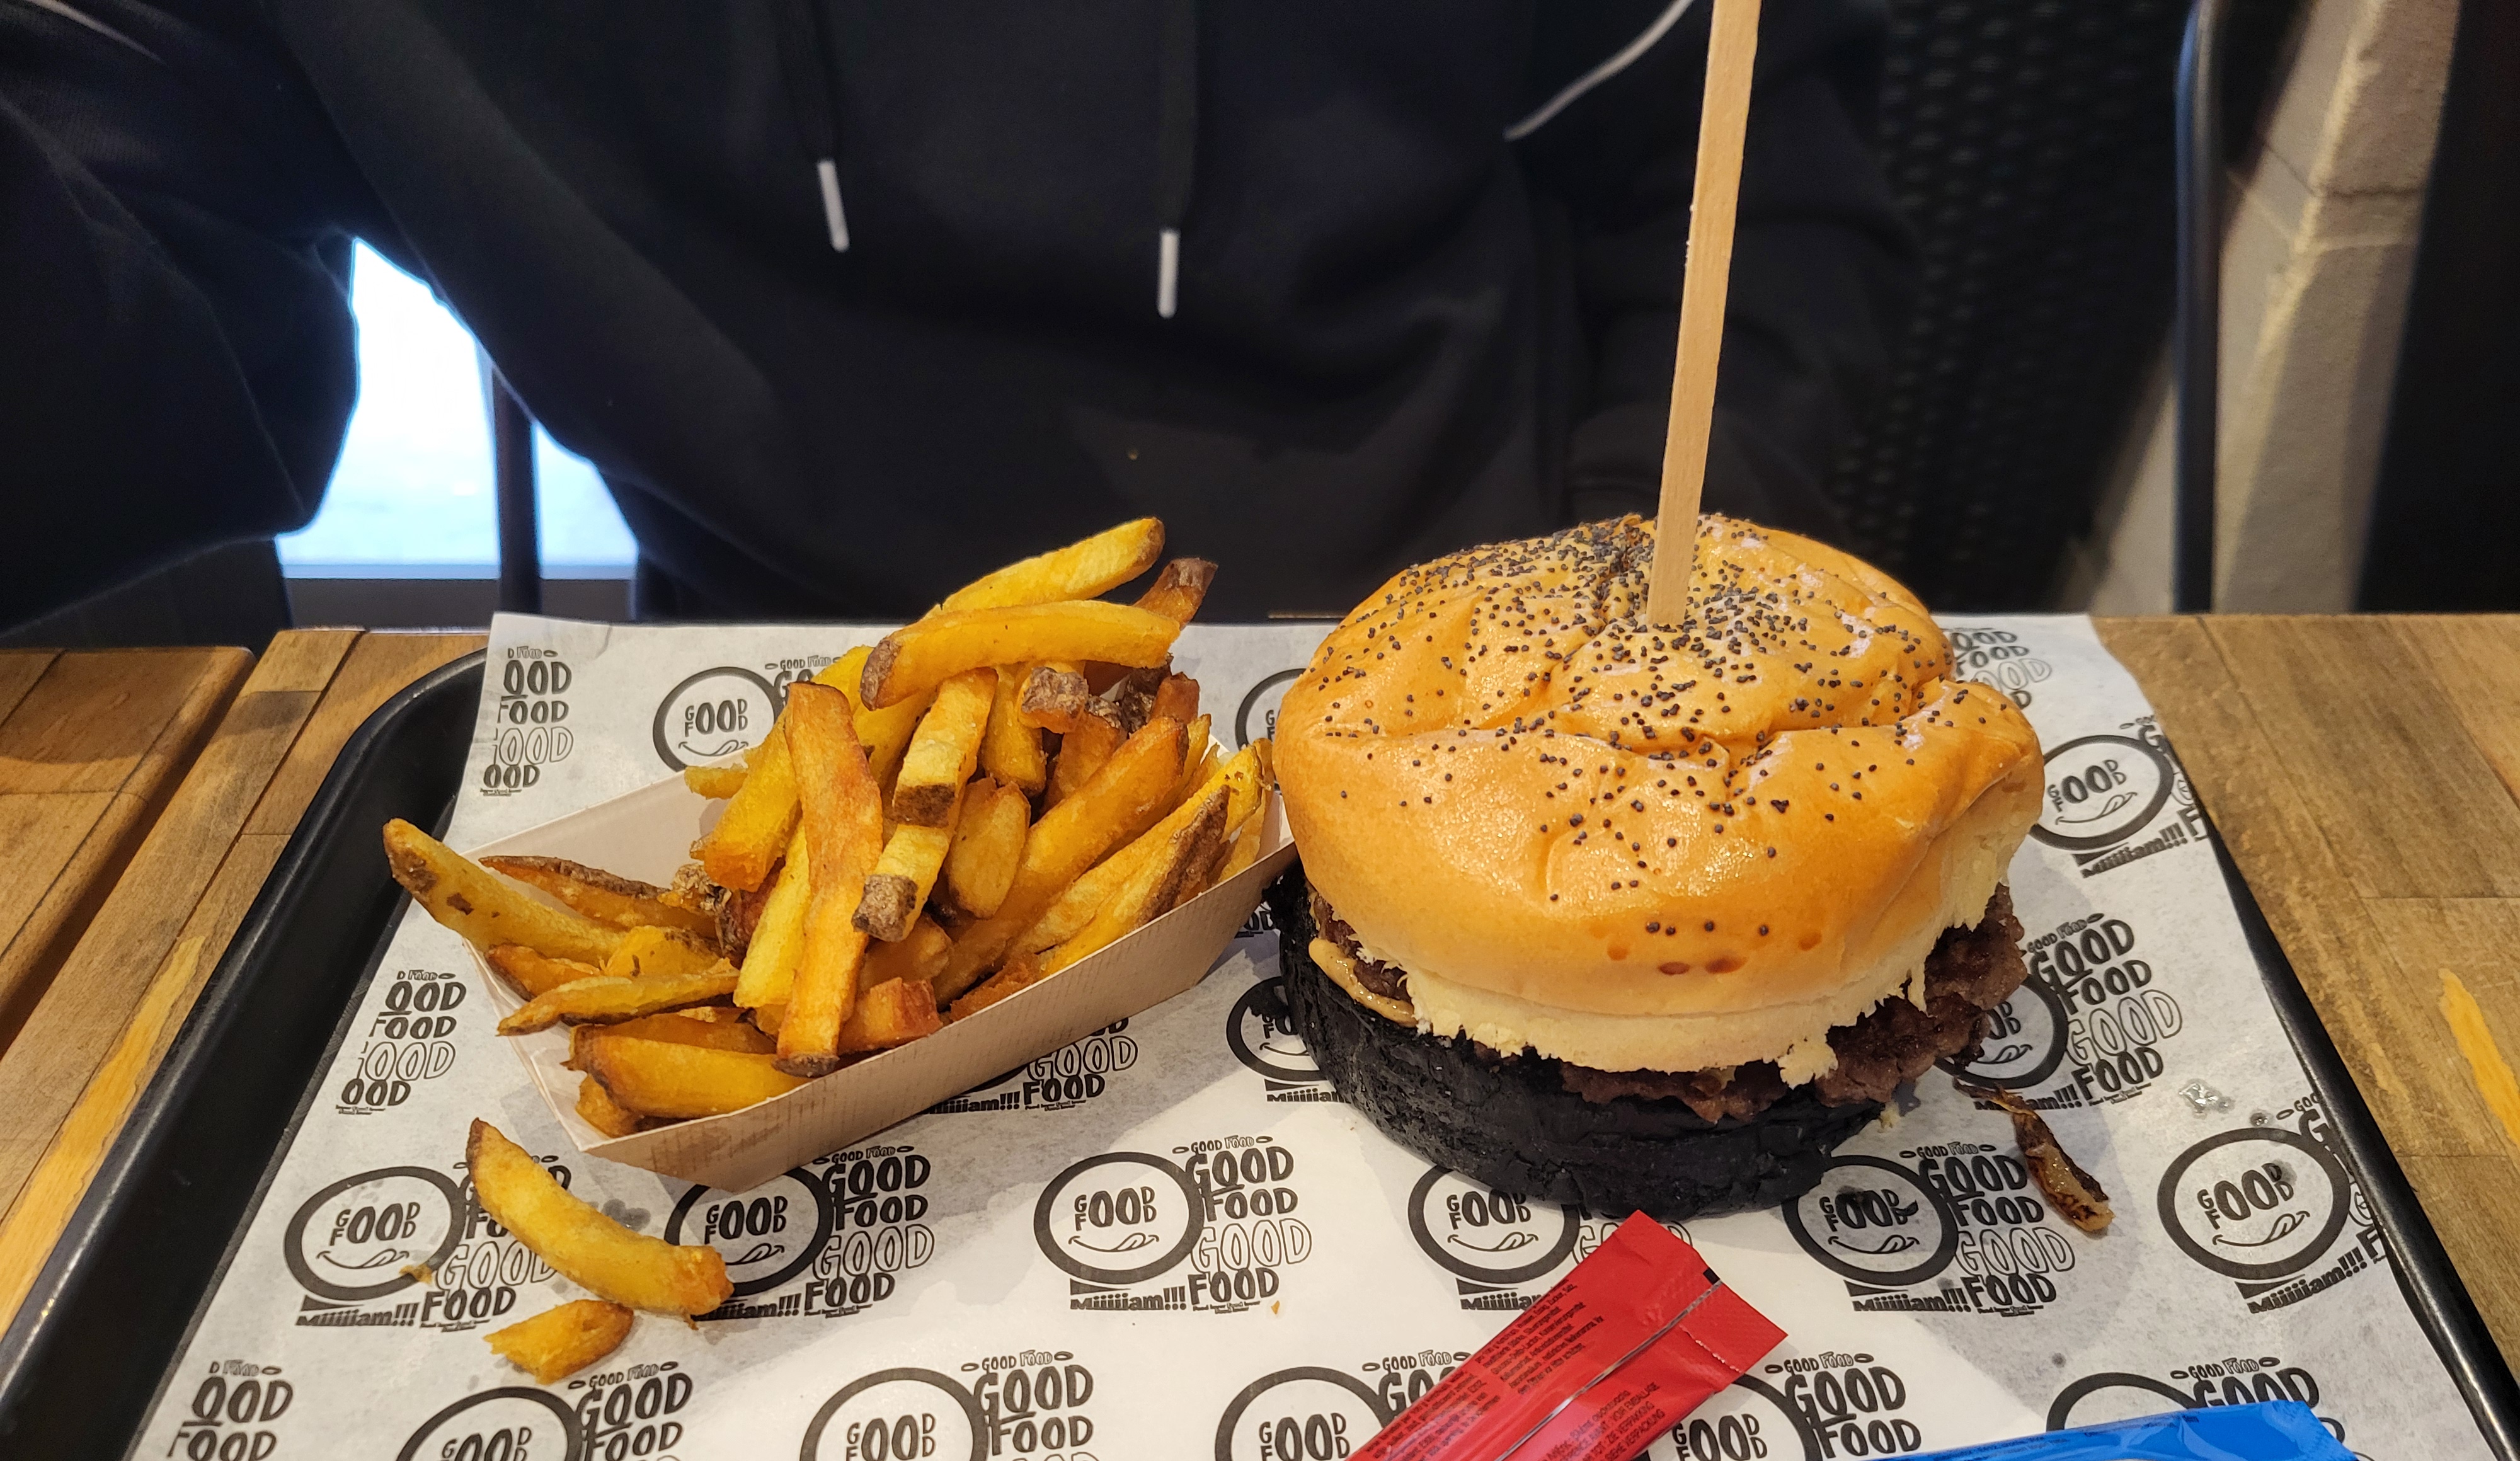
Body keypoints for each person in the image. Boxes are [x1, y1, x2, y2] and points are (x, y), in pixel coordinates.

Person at [0, 0, 1911, 629]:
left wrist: (1644, 647)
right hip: (768, 731)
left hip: (1472, 655)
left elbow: (1742, 183)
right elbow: (133, 414)